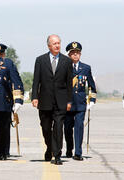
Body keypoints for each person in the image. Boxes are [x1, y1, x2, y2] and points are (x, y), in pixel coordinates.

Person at [31, 34, 73, 165]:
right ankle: (49, 147)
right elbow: (36, 80)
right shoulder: (40, 60)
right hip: (44, 100)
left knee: (58, 127)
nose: (57, 45)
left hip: (60, 101)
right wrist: (34, 97)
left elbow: (69, 83)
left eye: (59, 43)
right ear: (49, 45)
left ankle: (57, 154)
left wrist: (69, 101)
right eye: (54, 43)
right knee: (45, 128)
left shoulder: (66, 61)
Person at [64, 42, 97, 161]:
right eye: (73, 53)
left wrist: (92, 100)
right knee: (67, 128)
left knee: (79, 127)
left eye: (77, 53)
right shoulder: (64, 67)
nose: (75, 55)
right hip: (67, 103)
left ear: (80, 54)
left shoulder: (86, 68)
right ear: (69, 55)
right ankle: (69, 148)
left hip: (80, 104)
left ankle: (78, 152)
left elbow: (92, 86)